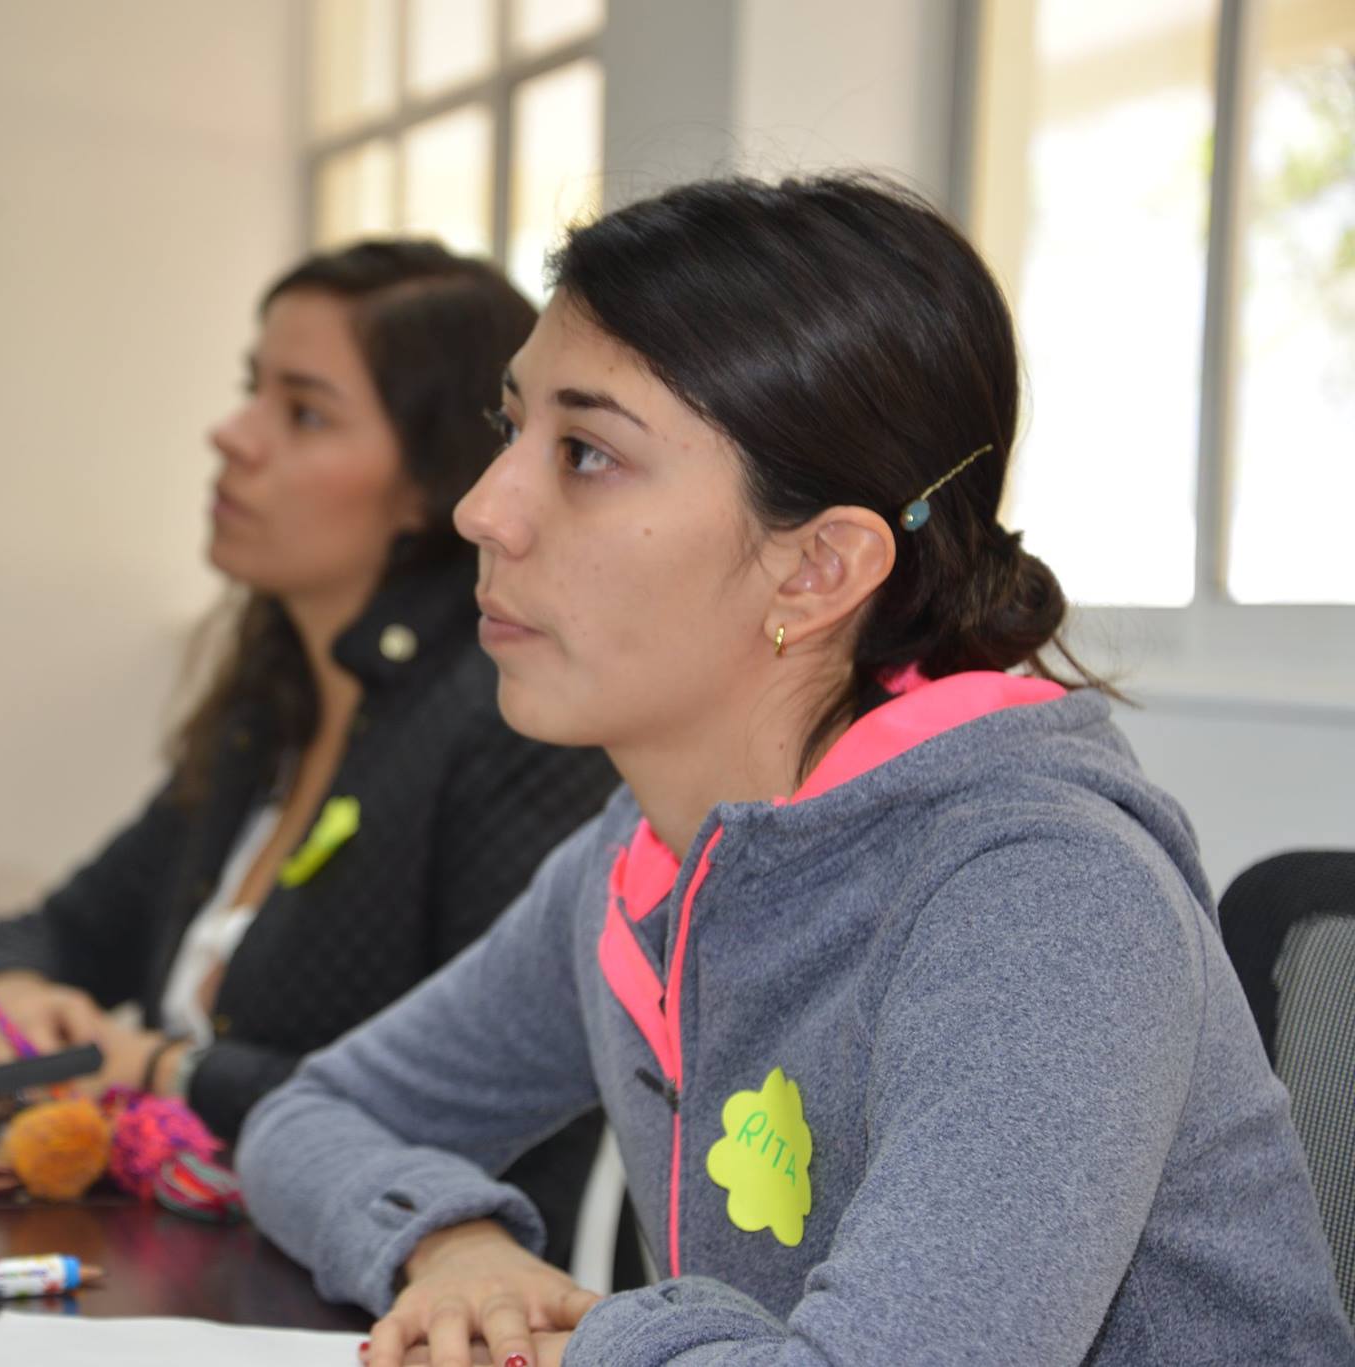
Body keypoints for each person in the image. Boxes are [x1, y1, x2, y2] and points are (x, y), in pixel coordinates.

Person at [237, 176, 1355, 1366]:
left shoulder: (1043, 896)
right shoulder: (638, 857)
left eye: (585, 452)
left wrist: (593, 1339)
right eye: (510, 430)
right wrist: (455, 1243)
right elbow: (313, 1114)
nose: (481, 509)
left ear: (817, 569)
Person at [0, 240, 618, 1258]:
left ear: (429, 486)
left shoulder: (503, 725)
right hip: (188, 1253)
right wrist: (20, 997)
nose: (231, 435)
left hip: (362, 1284)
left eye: (303, 412)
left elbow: (468, 1112)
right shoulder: (268, 708)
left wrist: (146, 1063)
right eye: (251, 389)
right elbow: (55, 928)